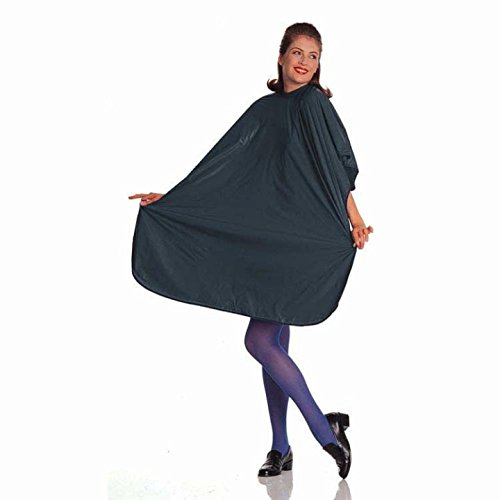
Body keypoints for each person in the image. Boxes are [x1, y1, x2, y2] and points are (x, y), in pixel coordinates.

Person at [129, 23, 373, 479]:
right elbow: (224, 167)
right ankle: (281, 447)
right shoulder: (264, 110)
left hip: (297, 240)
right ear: (281, 57)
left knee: (258, 341)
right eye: (297, 52)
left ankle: (325, 431)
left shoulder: (314, 104)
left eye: (313, 56)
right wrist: (174, 200)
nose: (304, 62)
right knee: (273, 343)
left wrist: (355, 220)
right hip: (267, 239)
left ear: (320, 65)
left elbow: (336, 171)